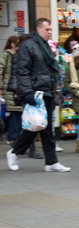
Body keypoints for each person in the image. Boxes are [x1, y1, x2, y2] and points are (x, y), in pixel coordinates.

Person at [6, 18, 71, 172]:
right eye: (47, 29)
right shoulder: (29, 45)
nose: (49, 32)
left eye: (50, 29)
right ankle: (14, 152)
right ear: (39, 29)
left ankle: (51, 162)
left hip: (46, 91)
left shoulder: (45, 46)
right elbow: (22, 71)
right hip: (35, 92)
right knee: (35, 126)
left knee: (46, 127)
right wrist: (28, 92)